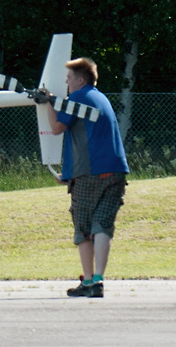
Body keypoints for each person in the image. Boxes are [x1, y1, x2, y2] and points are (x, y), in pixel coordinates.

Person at [46, 57, 129, 299]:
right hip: (116, 171)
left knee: (83, 228)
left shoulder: (79, 97)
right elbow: (89, 138)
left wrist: (47, 104)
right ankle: (100, 278)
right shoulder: (100, 97)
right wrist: (70, 174)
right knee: (102, 225)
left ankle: (89, 281)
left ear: (80, 79)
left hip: (90, 174)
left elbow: (56, 127)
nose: (67, 84)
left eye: (69, 79)